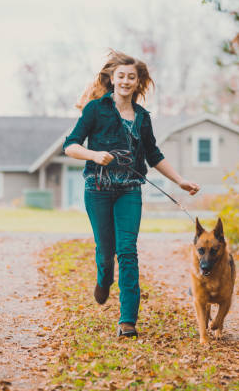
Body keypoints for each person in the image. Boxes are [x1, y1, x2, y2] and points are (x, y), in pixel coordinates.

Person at [63, 49, 200, 338]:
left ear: (138, 83)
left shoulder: (142, 118)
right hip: (97, 191)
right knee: (106, 251)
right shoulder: (95, 109)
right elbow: (71, 146)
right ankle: (104, 276)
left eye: (132, 77)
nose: (126, 81)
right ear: (112, 79)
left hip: (129, 192)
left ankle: (128, 321)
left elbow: (154, 155)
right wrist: (94, 154)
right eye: (121, 76)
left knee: (127, 251)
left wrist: (180, 181)